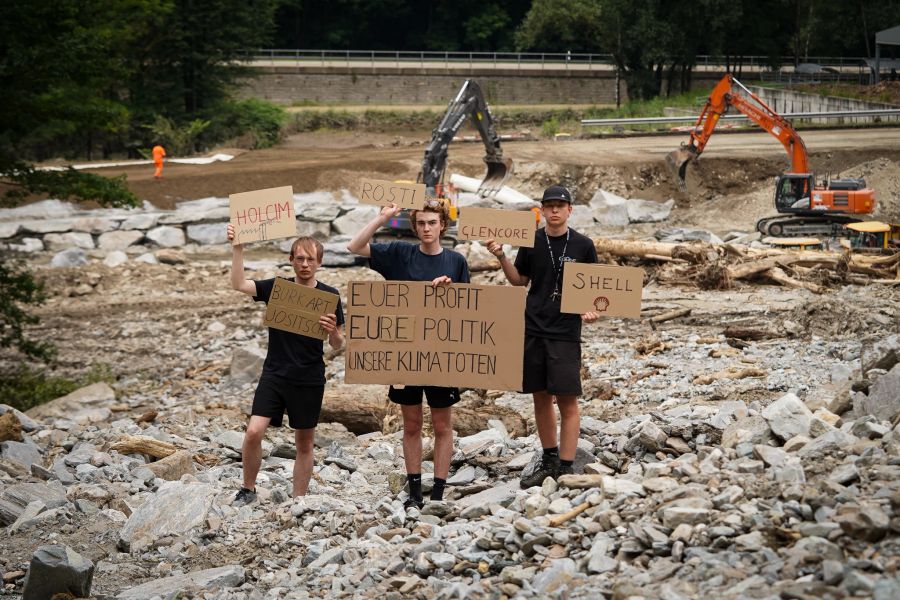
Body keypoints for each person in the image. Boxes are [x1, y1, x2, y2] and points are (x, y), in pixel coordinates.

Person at [346, 199, 469, 508]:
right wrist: (381, 218)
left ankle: (439, 493)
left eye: (432, 223)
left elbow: (470, 311)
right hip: (405, 356)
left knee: (442, 426)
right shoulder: (399, 254)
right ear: (414, 228)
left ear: (442, 225)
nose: (427, 228)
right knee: (412, 425)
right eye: (422, 224)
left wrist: (451, 290)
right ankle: (415, 493)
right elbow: (354, 246)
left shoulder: (456, 261)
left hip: (442, 356)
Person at [486, 184, 599, 488]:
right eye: (549, 205)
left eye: (559, 205)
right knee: (540, 396)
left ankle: (566, 465)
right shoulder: (532, 240)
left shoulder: (584, 245)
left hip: (565, 331)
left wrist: (592, 309)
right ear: (542, 209)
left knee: (568, 399)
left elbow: (596, 291)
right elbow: (518, 280)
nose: (554, 210)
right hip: (534, 327)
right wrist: (500, 256)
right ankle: (548, 458)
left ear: (569, 210)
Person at [227, 223, 344, 505]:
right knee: (254, 431)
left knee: (304, 442)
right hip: (275, 374)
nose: (305, 264)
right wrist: (238, 248)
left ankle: (299, 500)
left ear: (320, 263)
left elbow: (339, 345)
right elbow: (239, 284)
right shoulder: (277, 288)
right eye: (300, 259)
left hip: (309, 378)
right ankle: (248, 489)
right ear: (291, 260)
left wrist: (333, 332)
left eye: (310, 259)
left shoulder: (330, 296)